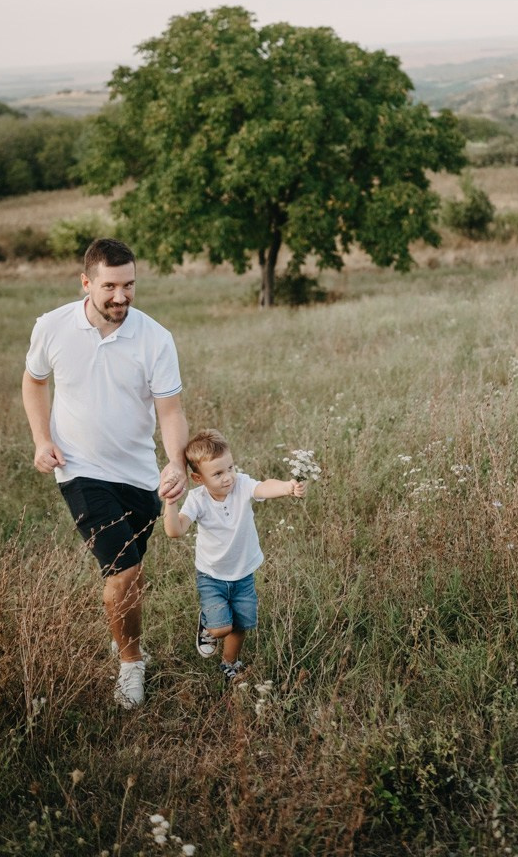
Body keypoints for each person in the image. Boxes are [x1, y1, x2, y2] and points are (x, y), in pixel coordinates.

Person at [22, 237, 188, 709]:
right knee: (124, 570)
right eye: (110, 286)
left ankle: (129, 644)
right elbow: (34, 381)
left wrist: (175, 462)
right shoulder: (53, 327)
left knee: (130, 576)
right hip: (79, 469)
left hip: (137, 476)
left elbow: (171, 412)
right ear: (86, 282)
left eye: (129, 285)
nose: (121, 296)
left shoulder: (155, 338)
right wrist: (41, 440)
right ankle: (131, 666)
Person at [163, 428, 306, 683]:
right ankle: (208, 622)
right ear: (198, 478)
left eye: (230, 467)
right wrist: (170, 502)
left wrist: (286, 487)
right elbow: (175, 530)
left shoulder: (241, 484)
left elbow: (263, 487)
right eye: (218, 473)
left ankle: (230, 664)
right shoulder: (197, 500)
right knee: (222, 628)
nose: (228, 477)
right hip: (212, 575)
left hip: (243, 574)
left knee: (241, 625)